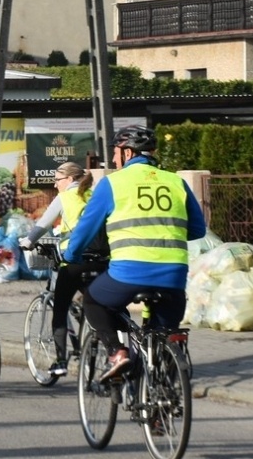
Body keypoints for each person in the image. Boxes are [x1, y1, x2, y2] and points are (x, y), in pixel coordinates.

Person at [65, 126, 206, 381]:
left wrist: (71, 257)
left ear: (128, 153)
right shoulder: (176, 182)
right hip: (173, 276)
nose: (115, 159)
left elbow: (85, 231)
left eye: (116, 153)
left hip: (128, 273)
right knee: (162, 334)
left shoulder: (112, 183)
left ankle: (118, 353)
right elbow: (197, 229)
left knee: (93, 301)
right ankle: (160, 408)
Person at [21, 161, 105, 376]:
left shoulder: (65, 197)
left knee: (59, 308)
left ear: (69, 179)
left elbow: (43, 225)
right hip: (102, 258)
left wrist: (28, 242)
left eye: (57, 180)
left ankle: (60, 361)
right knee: (97, 304)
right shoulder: (95, 194)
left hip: (75, 259)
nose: (55, 184)